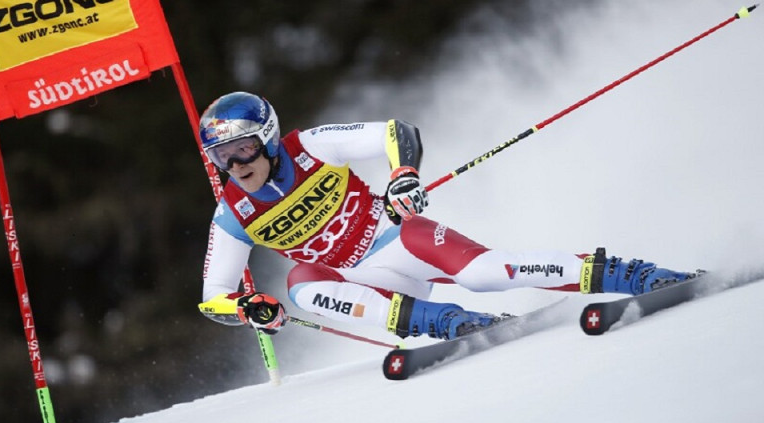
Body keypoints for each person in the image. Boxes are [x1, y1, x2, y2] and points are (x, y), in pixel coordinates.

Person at [199, 91, 694, 340]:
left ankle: (630, 274)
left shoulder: (309, 146)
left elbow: (396, 131)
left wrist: (402, 176)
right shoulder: (232, 214)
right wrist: (246, 308)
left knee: (484, 272)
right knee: (302, 284)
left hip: (397, 239)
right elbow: (211, 298)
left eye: (242, 149)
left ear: (266, 137)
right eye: (223, 158)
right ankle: (452, 324)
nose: (236, 166)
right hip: (365, 286)